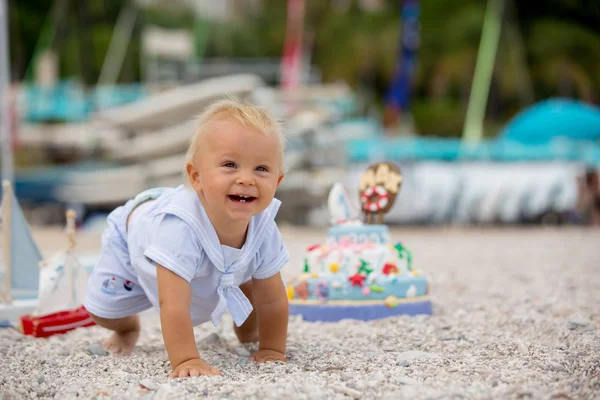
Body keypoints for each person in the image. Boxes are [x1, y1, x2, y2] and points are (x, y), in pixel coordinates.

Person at [83, 98, 290, 377]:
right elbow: (174, 303)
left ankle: (250, 335)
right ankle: (127, 327)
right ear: (196, 177)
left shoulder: (263, 225)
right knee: (105, 310)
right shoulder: (179, 229)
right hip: (135, 235)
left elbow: (273, 300)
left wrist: (273, 350)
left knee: (252, 283)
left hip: (218, 255)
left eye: (261, 169)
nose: (246, 179)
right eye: (230, 165)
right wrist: (186, 360)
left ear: (276, 181)